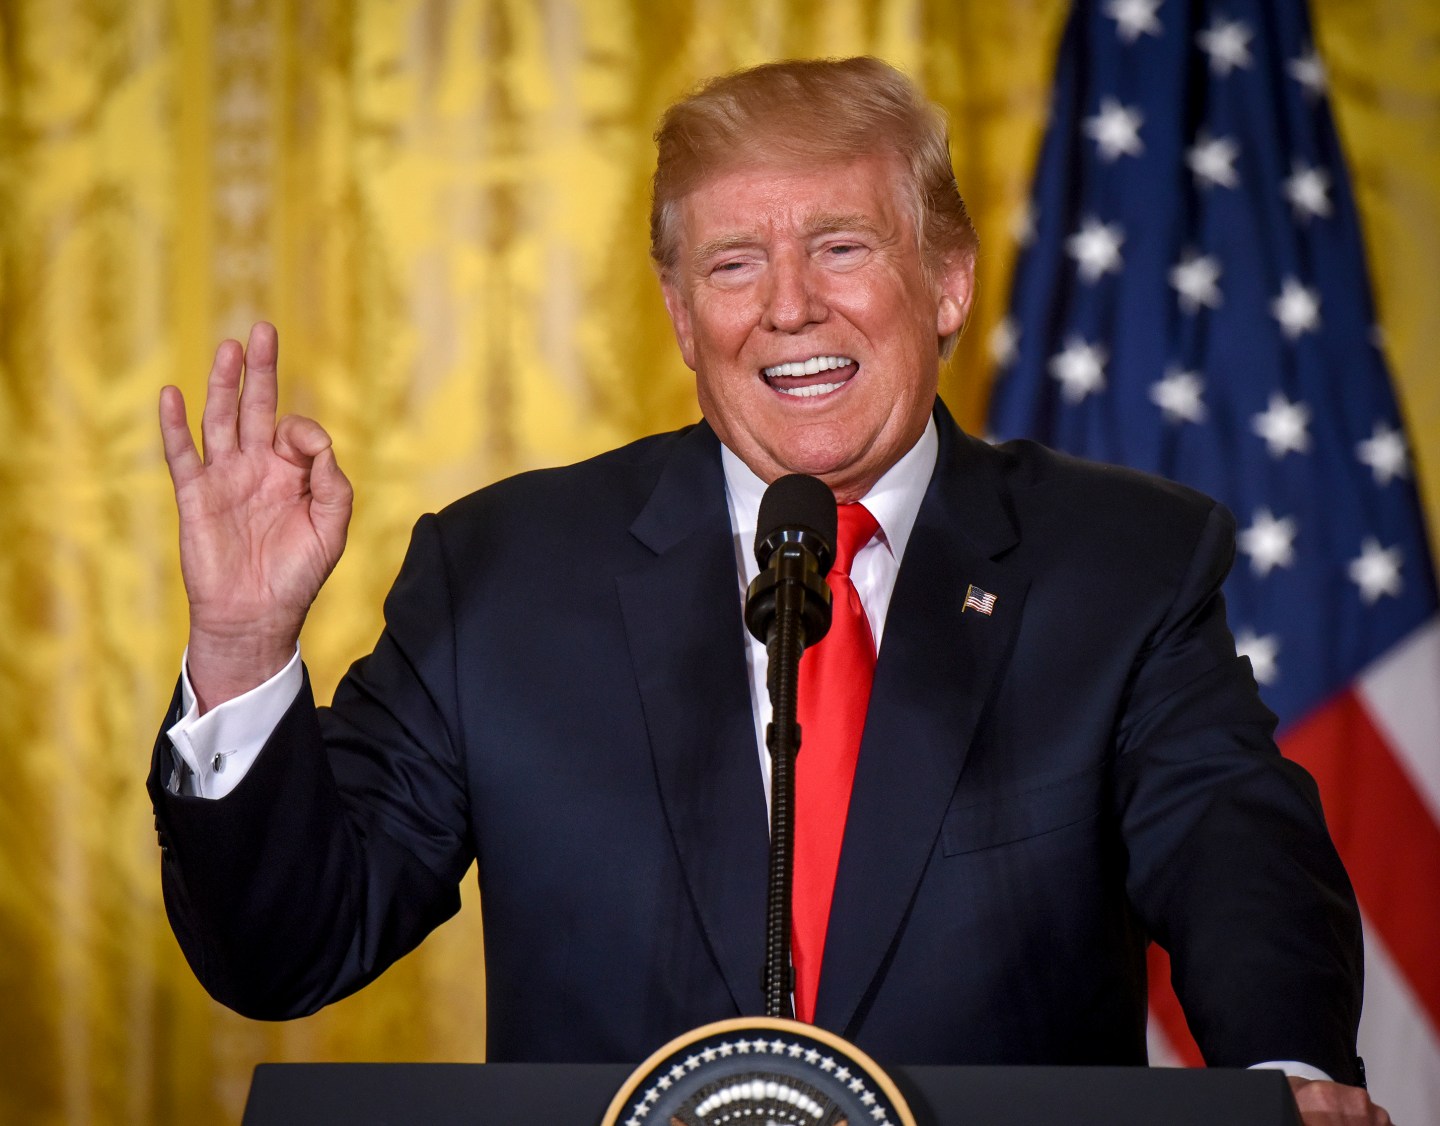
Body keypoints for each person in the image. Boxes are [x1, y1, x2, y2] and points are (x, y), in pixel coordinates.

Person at [151, 57, 1390, 1124]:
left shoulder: (1120, 563)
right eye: (734, 263)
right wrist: (245, 644)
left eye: (841, 247)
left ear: (946, 281)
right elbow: (289, 945)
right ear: (683, 317)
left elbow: (1239, 855)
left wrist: (1284, 1080)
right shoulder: (502, 573)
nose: (788, 305)